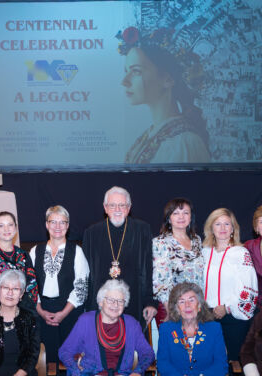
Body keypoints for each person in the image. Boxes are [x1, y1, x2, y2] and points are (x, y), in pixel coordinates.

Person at [29, 205, 89, 376]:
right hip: (42, 310)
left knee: (69, 357)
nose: (57, 226)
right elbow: (30, 285)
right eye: (53, 222)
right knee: (49, 359)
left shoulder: (76, 251)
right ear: (46, 225)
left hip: (69, 311)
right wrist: (40, 310)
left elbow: (81, 286)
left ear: (68, 226)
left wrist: (63, 313)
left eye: (62, 222)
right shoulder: (35, 251)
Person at [116, 26, 209, 163]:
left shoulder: (183, 143)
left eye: (136, 71)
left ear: (167, 79)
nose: (124, 81)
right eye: (126, 72)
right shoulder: (154, 134)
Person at [201, 208, 258, 376]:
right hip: (207, 317)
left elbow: (248, 287)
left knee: (235, 364)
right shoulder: (203, 252)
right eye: (218, 224)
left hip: (233, 317)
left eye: (227, 224)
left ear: (233, 228)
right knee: (210, 363)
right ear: (211, 228)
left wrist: (227, 307)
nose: (223, 228)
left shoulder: (240, 253)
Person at [82, 186, 156, 327]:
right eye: (112, 205)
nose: (117, 209)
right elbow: (86, 275)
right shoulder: (92, 233)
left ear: (128, 208)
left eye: (122, 205)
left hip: (134, 302)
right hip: (101, 304)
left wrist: (149, 302)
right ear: (105, 207)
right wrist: (85, 306)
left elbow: (149, 269)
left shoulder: (142, 230)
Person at [151, 198, 204, 321]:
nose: (181, 217)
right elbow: (160, 281)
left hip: (196, 305)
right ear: (169, 218)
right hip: (171, 307)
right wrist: (171, 311)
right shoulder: (160, 242)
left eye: (185, 213)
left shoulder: (197, 241)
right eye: (175, 213)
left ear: (191, 217)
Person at [0, 211, 38, 313]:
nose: (6, 229)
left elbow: (32, 287)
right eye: (1, 226)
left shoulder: (23, 255)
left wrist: (21, 313)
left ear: (16, 228)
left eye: (10, 225)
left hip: (22, 314)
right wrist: (2, 314)